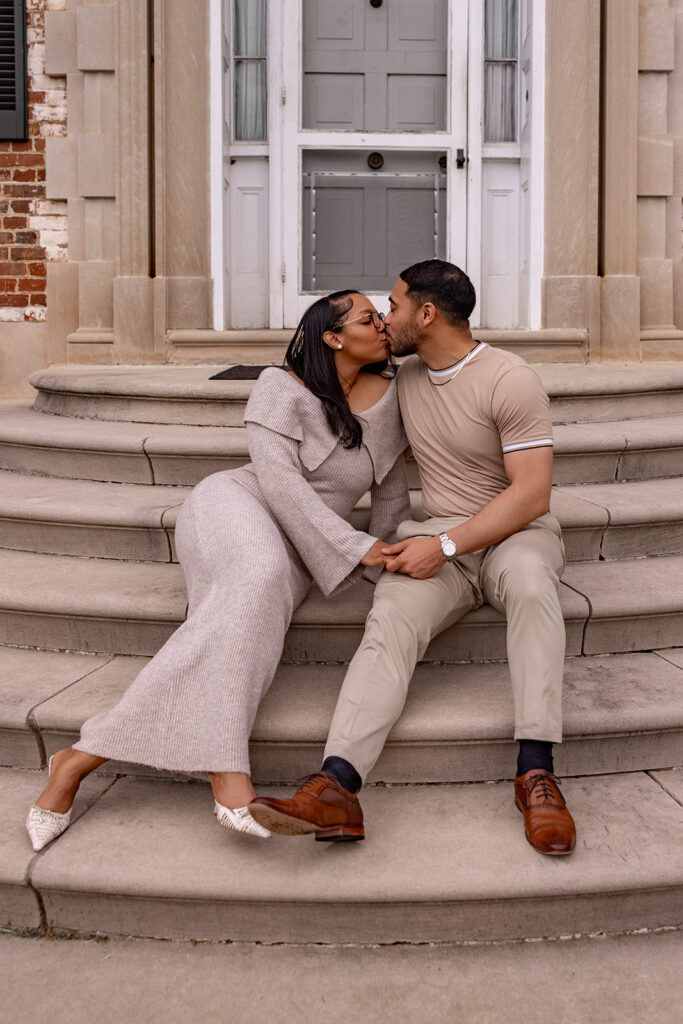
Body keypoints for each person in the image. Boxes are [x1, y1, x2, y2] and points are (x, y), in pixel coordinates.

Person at [26, 290, 410, 851]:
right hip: (236, 506)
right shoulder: (280, 387)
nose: (382, 325)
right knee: (252, 581)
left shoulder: (394, 400)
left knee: (245, 605)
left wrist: (386, 559)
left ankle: (78, 759)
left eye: (382, 316)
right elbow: (277, 483)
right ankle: (228, 776)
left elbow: (392, 498)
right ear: (332, 336)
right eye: (368, 318)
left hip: (305, 548)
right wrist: (353, 545)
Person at [249, 260, 577, 856]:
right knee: (393, 609)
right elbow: (343, 417)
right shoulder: (403, 383)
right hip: (437, 536)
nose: (384, 317)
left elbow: (532, 493)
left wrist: (447, 546)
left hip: (515, 532)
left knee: (531, 583)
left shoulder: (511, 378)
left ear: (426, 314)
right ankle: (337, 786)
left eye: (394, 307)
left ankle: (537, 772)